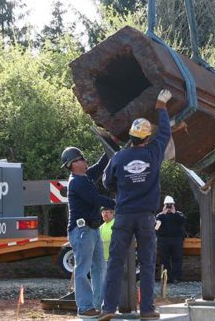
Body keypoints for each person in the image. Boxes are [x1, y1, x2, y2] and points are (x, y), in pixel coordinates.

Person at [99, 89, 173, 321]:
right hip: (146, 217)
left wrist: (122, 186)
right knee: (148, 263)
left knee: (115, 262)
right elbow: (166, 133)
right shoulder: (154, 152)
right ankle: (147, 310)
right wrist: (161, 105)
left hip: (123, 216)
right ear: (147, 138)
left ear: (131, 136)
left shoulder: (119, 158)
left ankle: (108, 308)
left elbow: (106, 181)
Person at [60, 146, 116, 318]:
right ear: (74, 164)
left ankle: (96, 306)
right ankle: (85, 308)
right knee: (83, 270)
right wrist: (119, 203)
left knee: (100, 267)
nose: (85, 160)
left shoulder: (84, 177)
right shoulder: (77, 182)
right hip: (82, 231)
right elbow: (96, 199)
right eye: (81, 158)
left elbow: (100, 166)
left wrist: (109, 148)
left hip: (91, 230)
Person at [156, 195, 187, 283]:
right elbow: (156, 227)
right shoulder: (159, 216)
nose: (169, 207)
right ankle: (167, 277)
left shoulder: (179, 214)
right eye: (167, 205)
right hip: (163, 240)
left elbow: (183, 222)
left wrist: (175, 213)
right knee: (164, 259)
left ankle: (176, 277)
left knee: (177, 258)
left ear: (174, 205)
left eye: (170, 205)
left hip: (176, 240)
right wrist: (163, 214)